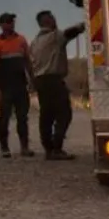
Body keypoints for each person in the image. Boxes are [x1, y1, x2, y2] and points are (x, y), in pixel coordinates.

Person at [28, 10, 85, 161]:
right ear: (48, 21)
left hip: (40, 81)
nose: (55, 20)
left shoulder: (34, 42)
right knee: (64, 113)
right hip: (53, 80)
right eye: (53, 18)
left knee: (46, 115)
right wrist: (85, 24)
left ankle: (48, 149)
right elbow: (70, 32)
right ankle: (57, 147)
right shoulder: (54, 37)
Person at [0, 12, 35, 158]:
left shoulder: (21, 40)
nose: (11, 24)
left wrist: (32, 80)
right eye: (8, 22)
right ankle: (4, 147)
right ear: (1, 25)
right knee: (4, 117)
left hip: (20, 85)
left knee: (22, 117)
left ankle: (24, 147)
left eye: (12, 22)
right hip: (5, 86)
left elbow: (27, 61)